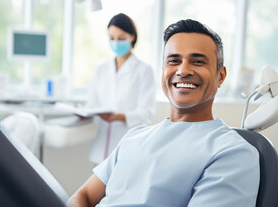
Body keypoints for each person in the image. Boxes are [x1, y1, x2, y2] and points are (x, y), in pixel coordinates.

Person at [68, 19, 260, 206]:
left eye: (198, 61)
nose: (183, 70)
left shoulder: (232, 153)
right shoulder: (134, 137)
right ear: (163, 71)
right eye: (174, 60)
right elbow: (82, 196)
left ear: (221, 76)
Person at [85, 13, 156, 165]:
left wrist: (118, 116)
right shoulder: (101, 70)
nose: (116, 42)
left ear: (132, 36)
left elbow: (146, 112)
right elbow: (92, 105)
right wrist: (83, 113)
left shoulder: (144, 70)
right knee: (98, 187)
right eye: (112, 38)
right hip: (101, 146)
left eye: (121, 38)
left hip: (128, 144)